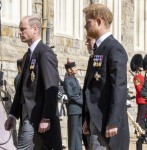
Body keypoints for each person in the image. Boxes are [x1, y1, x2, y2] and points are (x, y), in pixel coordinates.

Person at [4, 15, 62, 150]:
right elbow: (22, 89)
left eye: (23, 29)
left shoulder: (45, 53)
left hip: (37, 117)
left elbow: (51, 88)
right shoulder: (28, 55)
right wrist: (12, 115)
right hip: (26, 116)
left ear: (35, 29)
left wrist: (47, 118)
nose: (19, 32)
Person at [82, 4, 129, 150]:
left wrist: (114, 121)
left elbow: (119, 87)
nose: (85, 26)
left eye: (88, 22)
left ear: (99, 21)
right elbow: (93, 88)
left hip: (106, 122)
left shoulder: (114, 48)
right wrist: (87, 119)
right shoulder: (99, 50)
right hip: (95, 120)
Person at [63, 58, 83, 150]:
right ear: (69, 70)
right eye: (74, 67)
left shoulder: (74, 79)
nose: (76, 69)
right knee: (73, 132)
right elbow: (71, 95)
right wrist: (83, 102)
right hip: (73, 109)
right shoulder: (67, 80)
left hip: (79, 109)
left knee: (78, 132)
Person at [130, 54, 147, 131]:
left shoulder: (141, 77)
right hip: (142, 99)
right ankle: (140, 130)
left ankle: (138, 130)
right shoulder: (137, 77)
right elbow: (139, 89)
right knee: (141, 117)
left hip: (143, 99)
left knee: (140, 116)